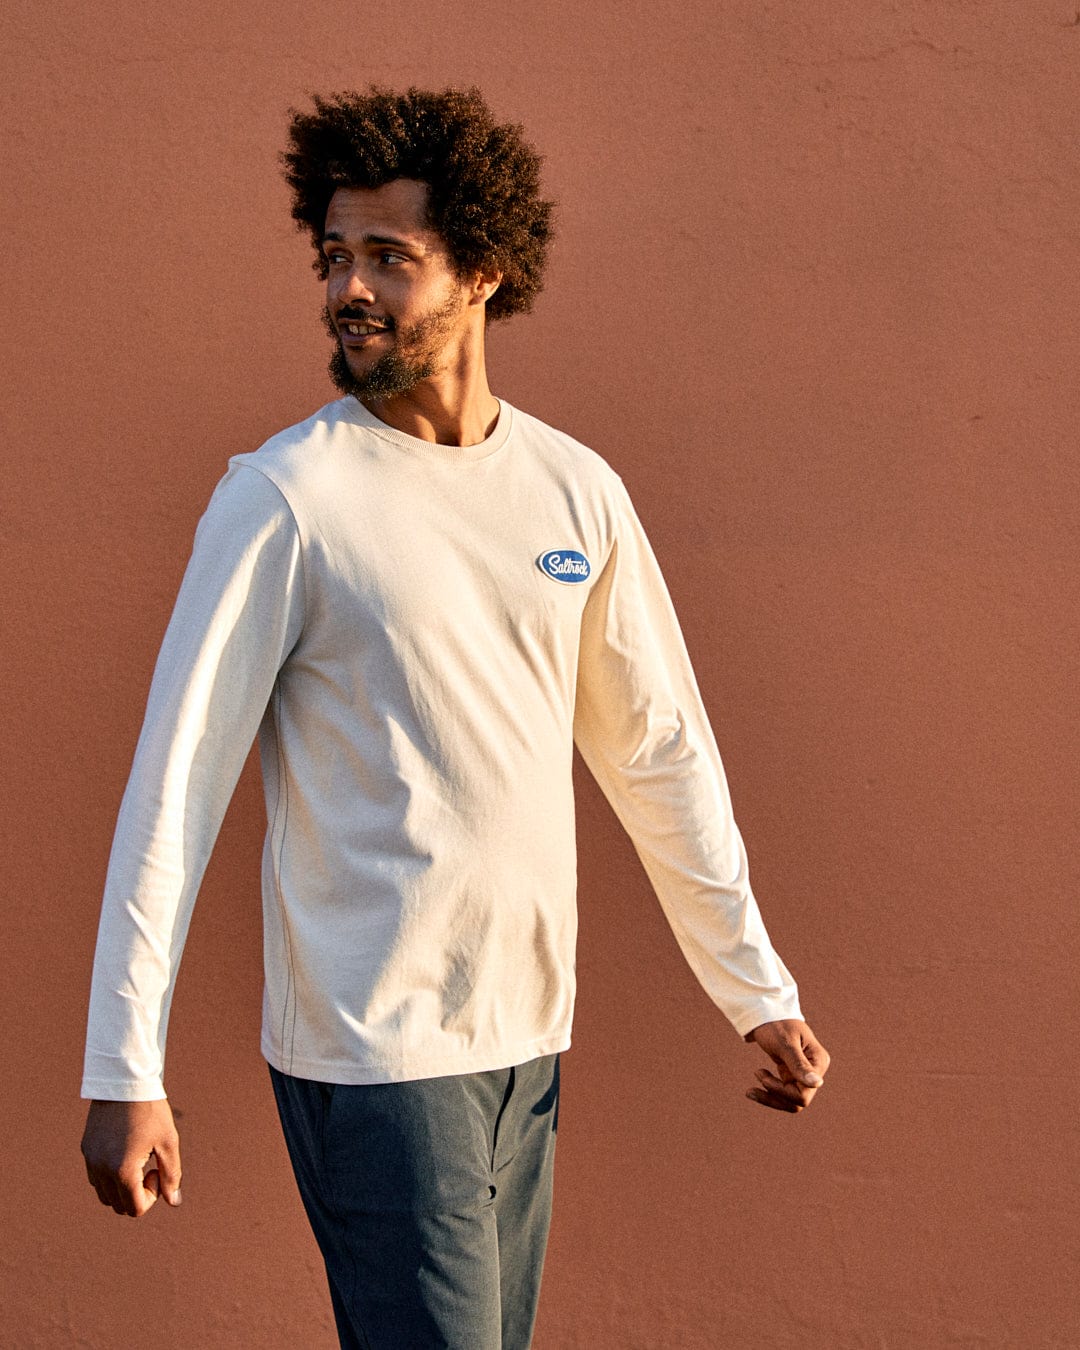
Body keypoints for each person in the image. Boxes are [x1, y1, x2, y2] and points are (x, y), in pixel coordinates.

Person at [80, 87, 830, 1349]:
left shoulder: (573, 490)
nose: (347, 289)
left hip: (527, 1035)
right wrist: (123, 1070)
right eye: (333, 257)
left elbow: (656, 751)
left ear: (483, 269)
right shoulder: (285, 500)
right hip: (376, 1050)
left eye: (388, 257)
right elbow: (175, 787)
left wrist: (752, 985)